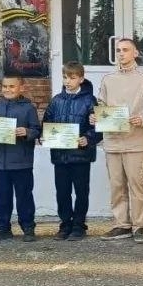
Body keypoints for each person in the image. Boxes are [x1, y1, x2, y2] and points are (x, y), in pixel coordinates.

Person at [94, 38, 143, 244]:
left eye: (125, 50)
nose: (121, 53)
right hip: (112, 141)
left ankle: (140, 225)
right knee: (117, 186)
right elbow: (101, 105)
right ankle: (121, 224)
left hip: (136, 141)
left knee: (137, 186)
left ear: (135, 53)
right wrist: (96, 117)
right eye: (118, 50)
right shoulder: (108, 79)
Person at [0, 75, 41, 243]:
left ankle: (28, 227)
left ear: (21, 88)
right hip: (0, 163)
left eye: (12, 86)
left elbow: (37, 130)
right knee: (2, 197)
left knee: (24, 197)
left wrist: (27, 132)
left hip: (22, 162)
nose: (8, 90)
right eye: (5, 86)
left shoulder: (29, 109)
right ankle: (2, 228)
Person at [42, 61, 101, 241]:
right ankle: (65, 224)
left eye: (72, 78)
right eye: (65, 77)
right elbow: (46, 124)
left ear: (81, 79)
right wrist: (44, 136)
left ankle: (79, 226)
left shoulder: (90, 101)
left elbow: (99, 127)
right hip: (60, 156)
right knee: (62, 192)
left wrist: (88, 139)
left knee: (81, 193)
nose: (67, 81)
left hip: (81, 156)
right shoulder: (56, 101)